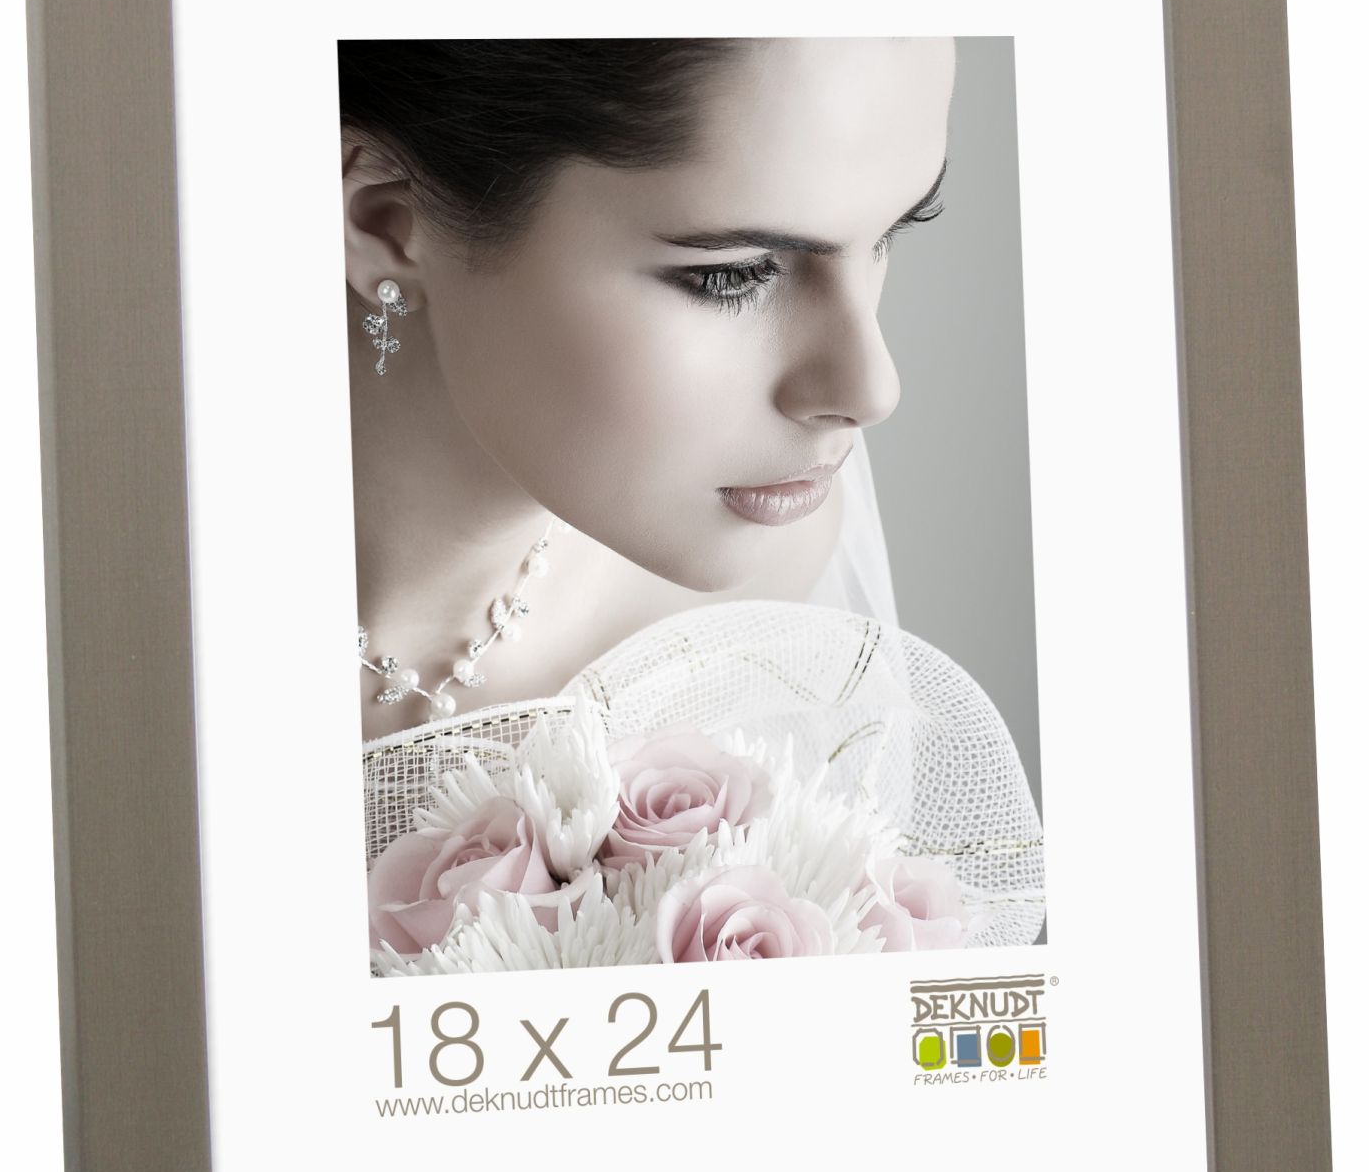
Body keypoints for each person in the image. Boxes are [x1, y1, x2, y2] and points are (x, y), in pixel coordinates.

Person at [340, 37, 948, 743]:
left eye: (888, 237)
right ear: (387, 226)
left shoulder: (770, 597)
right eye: (731, 274)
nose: (872, 391)